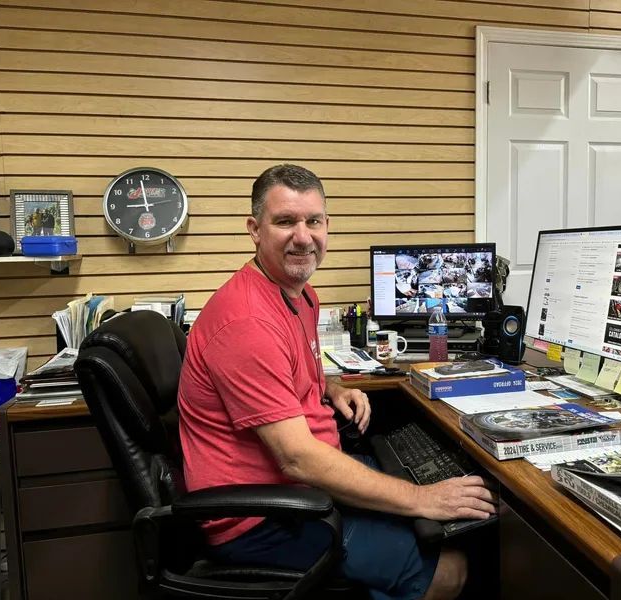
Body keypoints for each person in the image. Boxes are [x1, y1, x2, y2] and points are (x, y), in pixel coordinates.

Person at [178, 164, 497, 600]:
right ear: (254, 230)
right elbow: (296, 459)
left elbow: (291, 367)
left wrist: (330, 387)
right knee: (452, 565)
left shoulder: (300, 293)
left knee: (446, 523)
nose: (303, 236)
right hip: (264, 519)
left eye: (313, 221)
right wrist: (423, 499)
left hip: (302, 488)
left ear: (328, 225)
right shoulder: (246, 321)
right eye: (285, 221)